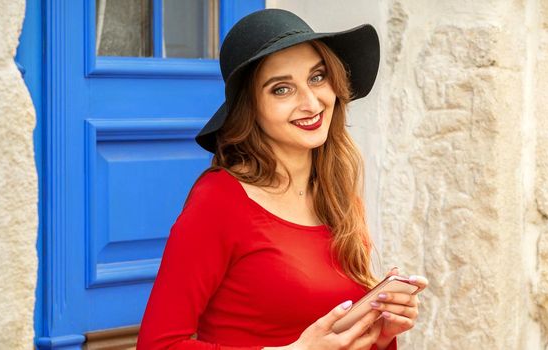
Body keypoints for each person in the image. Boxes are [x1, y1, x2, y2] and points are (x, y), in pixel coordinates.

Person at [137, 9, 428, 350]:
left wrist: (380, 332)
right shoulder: (219, 200)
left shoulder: (337, 195)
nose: (310, 102)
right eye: (281, 89)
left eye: (317, 77)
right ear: (251, 108)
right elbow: (158, 344)